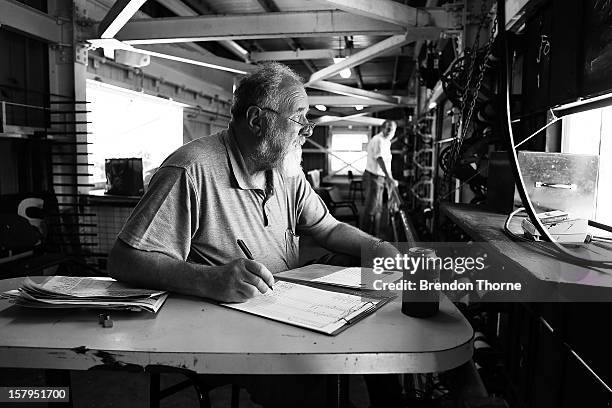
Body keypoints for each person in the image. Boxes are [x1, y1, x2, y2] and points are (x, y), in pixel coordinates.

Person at [107, 62, 402, 407]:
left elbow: (328, 228)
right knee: (313, 379)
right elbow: (123, 260)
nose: (306, 131)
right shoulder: (190, 170)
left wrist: (380, 248)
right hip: (233, 321)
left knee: (369, 282)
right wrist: (209, 279)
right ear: (257, 120)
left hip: (288, 302)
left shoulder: (285, 169)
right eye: (298, 119)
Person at [362, 120, 398, 236]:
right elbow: (380, 159)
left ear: (394, 131)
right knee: (371, 210)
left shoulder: (387, 142)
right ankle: (365, 239)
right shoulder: (378, 140)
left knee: (378, 209)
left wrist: (389, 178)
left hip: (379, 177)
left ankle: (375, 237)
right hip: (373, 177)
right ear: (382, 128)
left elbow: (387, 163)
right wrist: (389, 178)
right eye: (387, 128)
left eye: (391, 129)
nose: (389, 131)